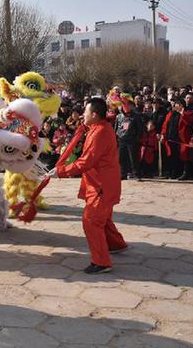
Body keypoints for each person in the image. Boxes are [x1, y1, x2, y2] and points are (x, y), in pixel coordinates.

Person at [48, 97, 127, 274]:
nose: (82, 115)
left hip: (101, 186)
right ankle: (116, 244)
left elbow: (87, 161)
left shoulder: (100, 132)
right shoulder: (97, 128)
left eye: (85, 112)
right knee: (103, 218)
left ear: (95, 114)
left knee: (91, 221)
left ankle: (102, 262)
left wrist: (61, 171)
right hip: (100, 183)